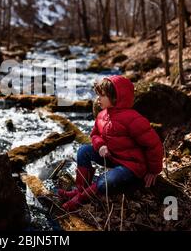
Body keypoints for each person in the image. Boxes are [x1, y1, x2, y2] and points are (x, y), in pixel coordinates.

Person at [58, 75, 163, 212]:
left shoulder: (133, 119)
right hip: (113, 157)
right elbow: (94, 135)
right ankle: (80, 189)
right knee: (84, 151)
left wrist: (154, 170)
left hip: (132, 165)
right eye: (98, 95)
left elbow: (154, 145)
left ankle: (81, 198)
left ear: (115, 98)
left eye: (102, 96)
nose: (98, 99)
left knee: (104, 182)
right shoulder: (102, 115)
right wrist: (101, 145)